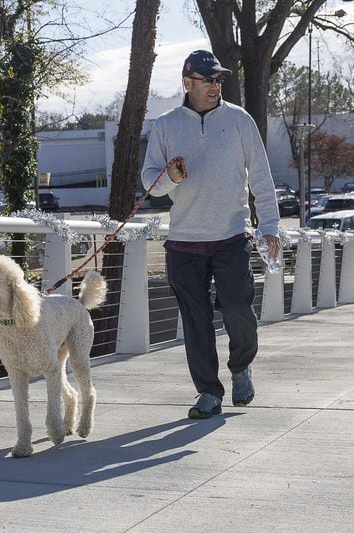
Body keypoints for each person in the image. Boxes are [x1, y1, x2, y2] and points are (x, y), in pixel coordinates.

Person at [140, 50, 281, 419]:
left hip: (232, 235)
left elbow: (262, 178)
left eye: (219, 79)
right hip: (183, 241)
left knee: (238, 308)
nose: (216, 85)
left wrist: (269, 228)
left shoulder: (239, 120)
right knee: (196, 321)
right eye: (208, 79)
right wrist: (170, 176)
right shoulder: (166, 125)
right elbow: (149, 183)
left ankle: (241, 367)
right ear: (187, 83)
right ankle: (208, 392)